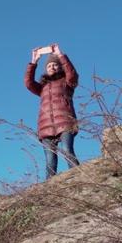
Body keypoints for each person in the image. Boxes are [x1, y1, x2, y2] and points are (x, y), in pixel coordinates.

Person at [24, 43, 80, 179]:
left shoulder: (67, 82)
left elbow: (72, 74)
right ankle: (50, 187)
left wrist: (60, 55)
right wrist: (34, 62)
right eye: (49, 66)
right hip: (46, 127)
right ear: (46, 70)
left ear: (60, 67)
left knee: (67, 151)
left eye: (55, 65)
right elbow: (28, 83)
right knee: (50, 160)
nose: (52, 67)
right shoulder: (42, 87)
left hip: (65, 122)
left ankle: (80, 176)